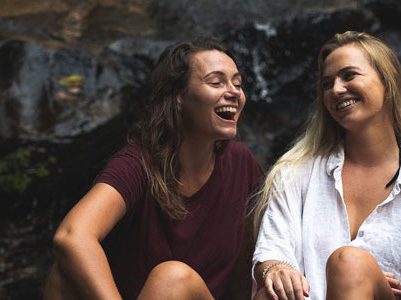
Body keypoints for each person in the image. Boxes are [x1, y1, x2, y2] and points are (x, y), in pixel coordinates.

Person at [43, 37, 263, 300]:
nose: (234, 92)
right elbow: (72, 235)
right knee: (64, 274)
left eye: (237, 84)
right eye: (216, 82)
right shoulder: (137, 165)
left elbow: (257, 258)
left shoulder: (242, 164)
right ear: (178, 97)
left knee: (172, 279)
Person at [249, 31, 401, 300]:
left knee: (351, 263)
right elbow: (271, 252)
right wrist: (275, 267)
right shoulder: (294, 173)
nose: (336, 89)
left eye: (349, 75)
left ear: (387, 82)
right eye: (327, 84)